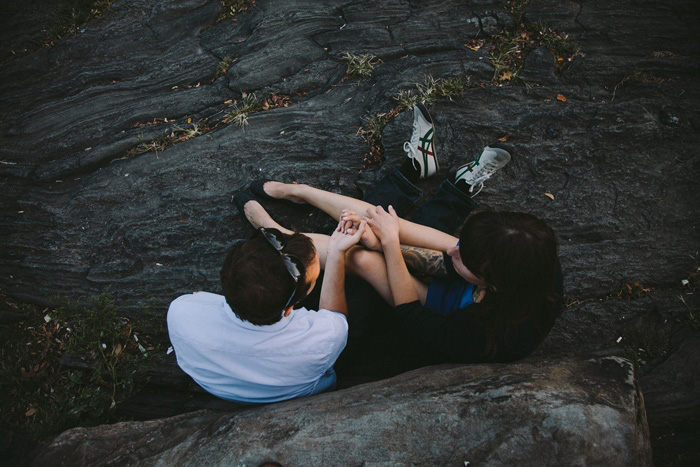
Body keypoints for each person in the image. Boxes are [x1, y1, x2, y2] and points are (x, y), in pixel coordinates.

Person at [238, 103, 563, 365]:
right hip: (471, 280)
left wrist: (389, 244)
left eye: (464, 257)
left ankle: (281, 235)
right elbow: (443, 245)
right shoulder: (529, 256)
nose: (453, 250)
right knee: (374, 220)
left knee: (363, 258)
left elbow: (410, 310)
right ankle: (301, 191)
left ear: (493, 283)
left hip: (431, 307)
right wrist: (384, 232)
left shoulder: (485, 336)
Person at [167, 207, 366, 403]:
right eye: (315, 278)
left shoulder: (181, 311)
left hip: (221, 391)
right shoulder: (323, 339)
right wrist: (335, 254)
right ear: (290, 307)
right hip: (303, 397)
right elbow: (335, 318)